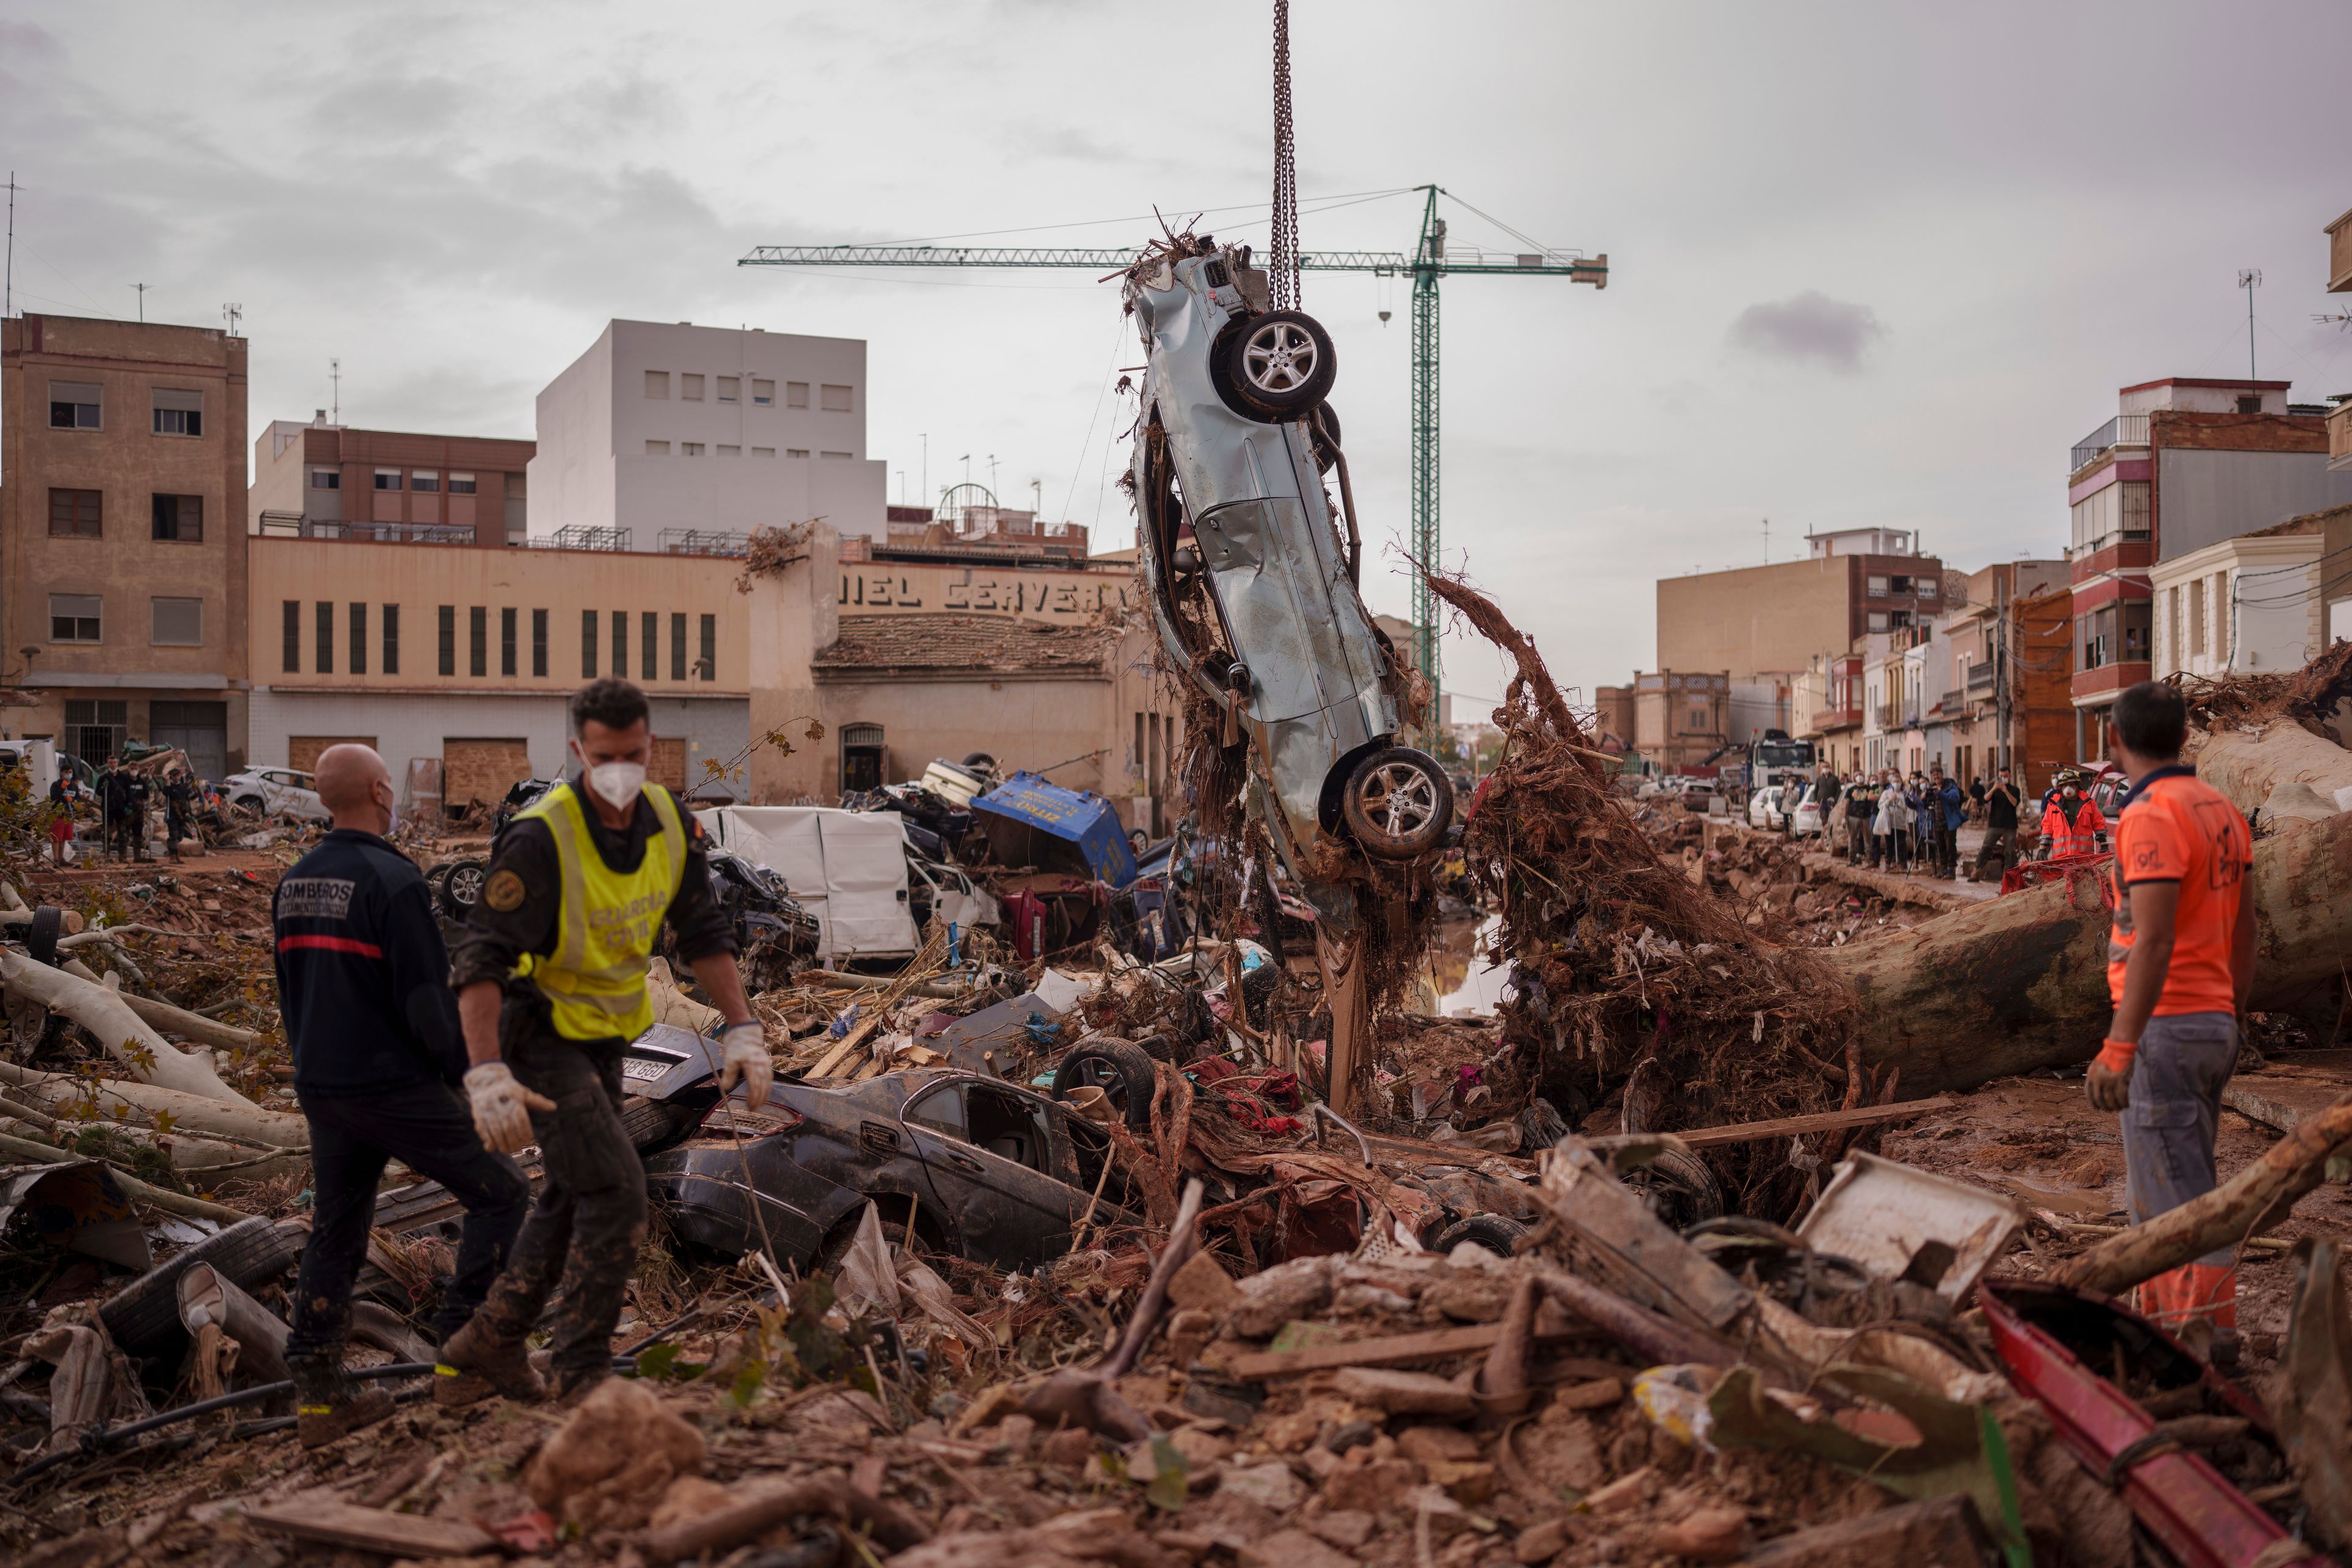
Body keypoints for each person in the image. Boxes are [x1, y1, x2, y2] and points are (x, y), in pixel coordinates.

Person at [441, 679, 767, 1404]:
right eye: (604, 755)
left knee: (568, 1190)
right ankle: (580, 1366)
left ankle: (486, 1343)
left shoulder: (668, 823)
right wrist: (486, 1069)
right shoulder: (541, 836)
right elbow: (479, 960)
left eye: (633, 753)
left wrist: (742, 1024)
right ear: (577, 751)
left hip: (603, 1036)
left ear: (650, 746)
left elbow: (703, 930)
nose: (620, 769)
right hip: (533, 1035)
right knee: (619, 1191)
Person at [276, 744, 532, 1446]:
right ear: (382, 792)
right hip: (388, 1082)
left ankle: (321, 1397)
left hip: (323, 1084)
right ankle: (463, 1353)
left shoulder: (295, 881)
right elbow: (426, 1005)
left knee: (338, 1226)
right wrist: (472, 1078)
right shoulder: (392, 880)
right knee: (503, 1192)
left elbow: (290, 992)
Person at [2085, 682, 2254, 1355]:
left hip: (2167, 1027)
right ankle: (2160, 1332)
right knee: (2165, 1186)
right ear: (2184, 738)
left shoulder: (2150, 814)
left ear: (2114, 742)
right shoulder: (2221, 809)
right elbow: (2246, 926)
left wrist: (2120, 1046)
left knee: (2179, 1199)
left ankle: (2210, 1337)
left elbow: (2152, 938)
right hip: (2210, 1021)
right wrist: (2234, 1013)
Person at [2040, 770, 2106, 859]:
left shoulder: (2088, 803)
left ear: (2077, 786)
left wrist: (2104, 845)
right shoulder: (2053, 805)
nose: (2068, 788)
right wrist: (2043, 849)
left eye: (2071, 785)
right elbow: (2047, 827)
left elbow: (2099, 824)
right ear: (2061, 788)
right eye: (2065, 785)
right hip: (2061, 859)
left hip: (2084, 858)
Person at [1976, 767, 2023, 881]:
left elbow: (2015, 803)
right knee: (1986, 848)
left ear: (2010, 776)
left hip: (2010, 825)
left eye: (2005, 776)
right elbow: (1985, 799)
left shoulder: (2015, 790)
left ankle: (2007, 877)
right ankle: (1976, 871)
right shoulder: (1994, 789)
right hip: (1994, 824)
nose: (2003, 778)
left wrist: (2005, 790)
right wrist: (1994, 788)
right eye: (2001, 776)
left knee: (2010, 852)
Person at [1930, 764, 1964, 879]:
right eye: (1934, 775)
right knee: (1939, 846)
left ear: (1942, 774)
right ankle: (1942, 869)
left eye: (1938, 774)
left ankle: (1951, 870)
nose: (1936, 777)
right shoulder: (1932, 788)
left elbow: (1954, 798)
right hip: (1936, 821)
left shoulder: (1950, 786)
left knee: (1950, 846)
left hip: (1948, 822)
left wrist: (1940, 793)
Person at [46, 773, 81, 868]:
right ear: (62, 773)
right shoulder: (56, 785)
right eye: (66, 772)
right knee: (56, 838)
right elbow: (54, 798)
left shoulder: (74, 786)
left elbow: (78, 798)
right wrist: (62, 788)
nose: (68, 774)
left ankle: (61, 859)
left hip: (68, 815)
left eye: (70, 772)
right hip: (58, 815)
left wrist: (72, 800)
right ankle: (56, 859)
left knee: (64, 838)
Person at [162, 768, 197, 862]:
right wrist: (168, 782)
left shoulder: (183, 788)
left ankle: (176, 854)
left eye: (178, 775)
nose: (177, 778)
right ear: (171, 777)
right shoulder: (169, 787)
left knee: (180, 836)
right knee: (173, 834)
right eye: (174, 776)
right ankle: (173, 855)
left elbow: (187, 801)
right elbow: (166, 793)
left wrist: (190, 814)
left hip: (181, 816)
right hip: (171, 815)